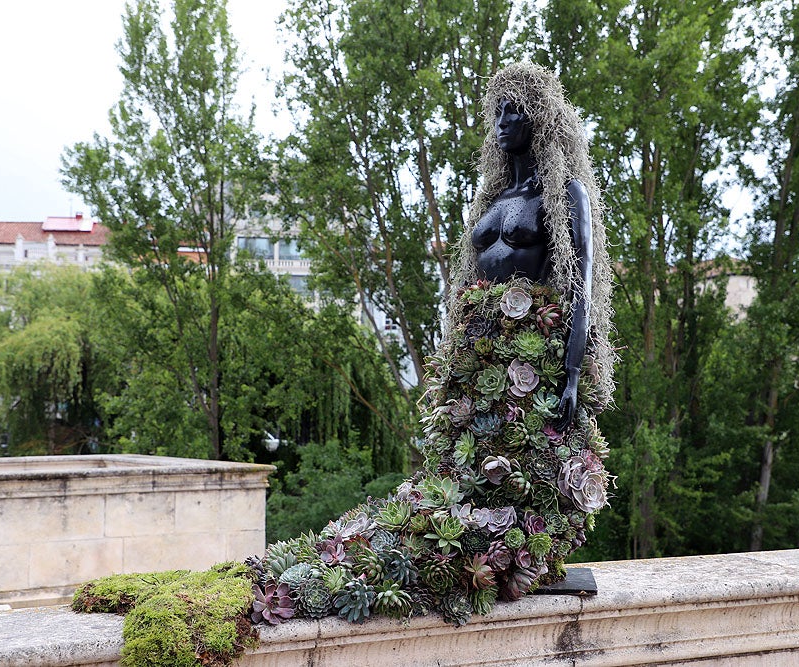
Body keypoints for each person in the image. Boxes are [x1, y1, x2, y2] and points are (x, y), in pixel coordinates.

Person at [248, 63, 614, 627]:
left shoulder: (564, 195)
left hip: (534, 371)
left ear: (538, 119)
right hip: (475, 367)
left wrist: (570, 380)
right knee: (456, 483)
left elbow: (580, 286)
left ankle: (517, 554)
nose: (501, 124)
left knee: (522, 482)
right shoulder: (491, 202)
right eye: (496, 113)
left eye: (513, 112)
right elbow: (470, 283)